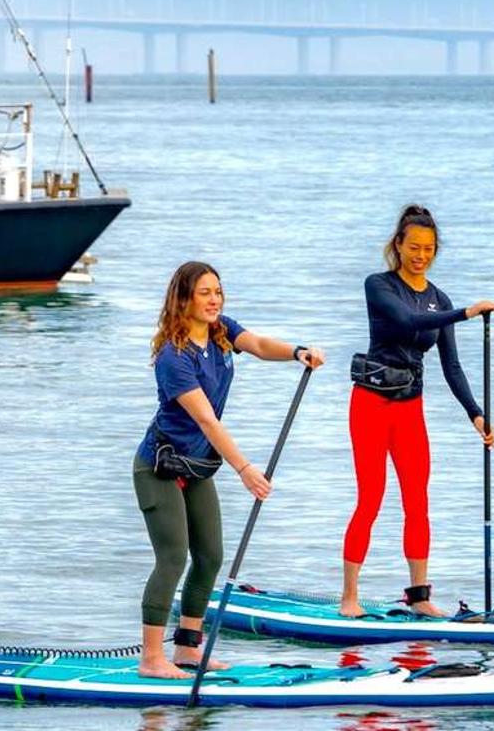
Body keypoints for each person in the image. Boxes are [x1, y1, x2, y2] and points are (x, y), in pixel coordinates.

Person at [134, 261, 324, 679]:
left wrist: (297, 352)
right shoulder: (173, 356)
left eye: (217, 291)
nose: (214, 299)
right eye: (204, 292)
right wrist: (244, 469)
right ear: (183, 298)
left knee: (210, 557)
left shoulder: (221, 331)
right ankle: (151, 659)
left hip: (197, 465)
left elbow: (256, 343)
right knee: (172, 558)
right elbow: (207, 421)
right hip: (159, 467)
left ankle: (186, 650)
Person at [338, 204, 494, 619]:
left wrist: (476, 414)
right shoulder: (378, 285)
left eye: (429, 249)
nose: (421, 255)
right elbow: (408, 321)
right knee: (371, 499)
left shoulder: (439, 298)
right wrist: (467, 313)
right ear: (398, 245)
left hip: (410, 409)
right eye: (414, 247)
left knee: (417, 501)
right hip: (371, 405)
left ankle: (419, 595)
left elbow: (451, 365)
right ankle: (349, 597)